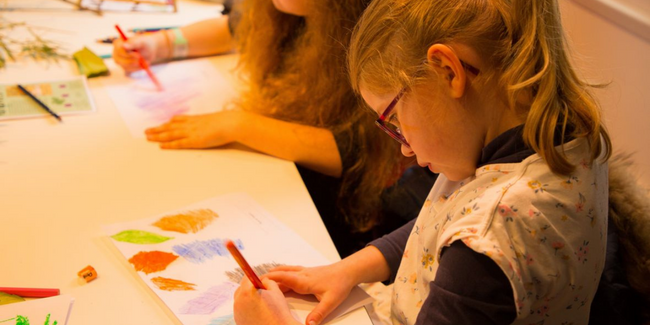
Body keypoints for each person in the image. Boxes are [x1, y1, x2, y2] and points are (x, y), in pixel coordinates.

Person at [232, 0, 613, 324]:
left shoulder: (488, 244)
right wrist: (348, 269)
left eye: (394, 120)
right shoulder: (562, 136)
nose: (404, 149)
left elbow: (475, 230)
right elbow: (444, 217)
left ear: (448, 72)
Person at [112, 0, 437, 258]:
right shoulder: (285, 8)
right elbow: (234, 27)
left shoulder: (375, 35)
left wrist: (239, 125)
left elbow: (362, 155)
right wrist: (165, 43)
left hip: (343, 210)